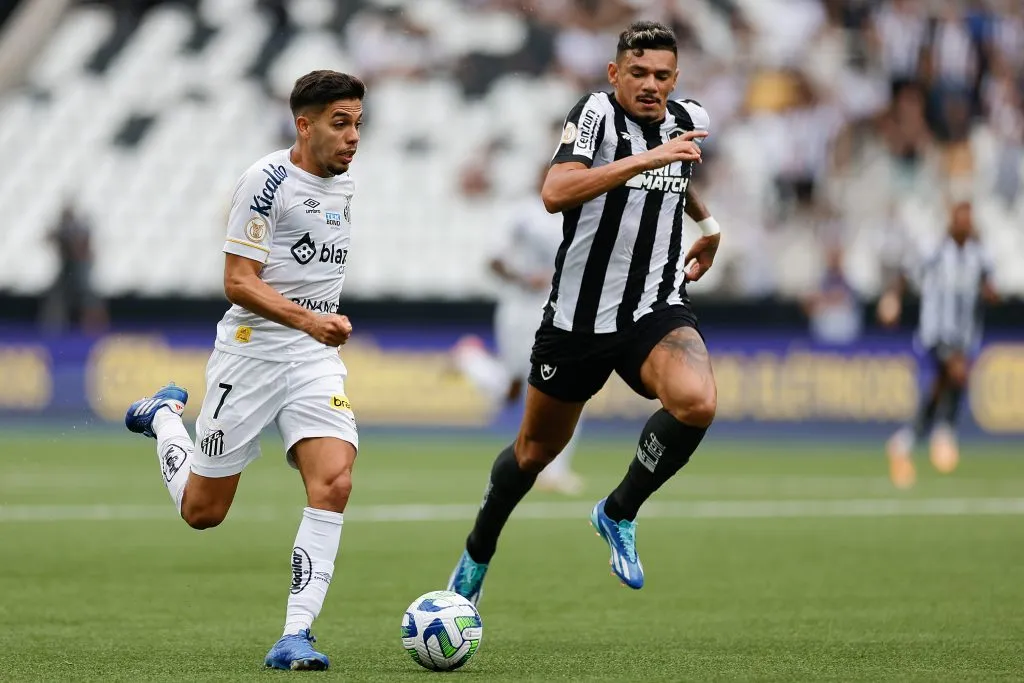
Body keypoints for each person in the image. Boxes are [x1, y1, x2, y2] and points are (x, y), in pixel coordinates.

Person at [446, 20, 720, 604]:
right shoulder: (594, 112)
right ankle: (476, 555)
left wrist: (710, 225)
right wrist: (650, 160)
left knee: (697, 402)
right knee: (532, 454)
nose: (651, 85)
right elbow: (556, 191)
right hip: (576, 318)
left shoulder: (686, 120)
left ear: (676, 78)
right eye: (639, 73)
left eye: (663, 76)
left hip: (654, 306)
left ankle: (618, 511)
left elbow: (680, 171)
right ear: (614, 73)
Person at [123, 70, 364, 670]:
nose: (353, 136)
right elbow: (237, 281)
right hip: (251, 352)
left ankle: (295, 637)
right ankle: (163, 420)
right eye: (340, 123)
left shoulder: (345, 182)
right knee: (203, 512)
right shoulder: (266, 182)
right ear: (302, 124)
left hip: (312, 361)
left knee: (334, 482)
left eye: (358, 122)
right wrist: (311, 319)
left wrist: (314, 332)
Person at [452, 168, 585, 496]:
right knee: (518, 390)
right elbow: (493, 260)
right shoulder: (521, 212)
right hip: (520, 310)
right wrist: (524, 280)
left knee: (568, 385)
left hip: (560, 309)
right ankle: (471, 360)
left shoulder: (579, 211)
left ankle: (555, 472)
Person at [878, 200, 998, 489]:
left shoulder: (977, 255)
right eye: (961, 218)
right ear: (951, 221)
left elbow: (987, 285)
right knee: (956, 374)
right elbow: (906, 276)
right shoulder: (934, 251)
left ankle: (904, 442)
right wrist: (892, 299)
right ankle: (944, 433)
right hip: (937, 332)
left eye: (968, 219)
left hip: (965, 335)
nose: (965, 224)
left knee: (942, 385)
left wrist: (991, 294)